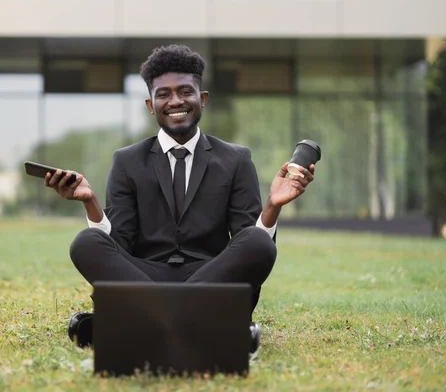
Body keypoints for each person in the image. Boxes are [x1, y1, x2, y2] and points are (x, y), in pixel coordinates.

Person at [44, 44, 315, 354]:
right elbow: (118, 247)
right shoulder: (126, 161)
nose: (175, 101)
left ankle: (136, 324)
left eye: (185, 92)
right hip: (146, 277)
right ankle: (203, 326)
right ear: (150, 104)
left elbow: (246, 242)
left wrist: (272, 206)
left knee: (259, 242)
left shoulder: (236, 159)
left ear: (202, 99)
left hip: (211, 276)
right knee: (85, 243)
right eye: (164, 94)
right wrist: (90, 202)